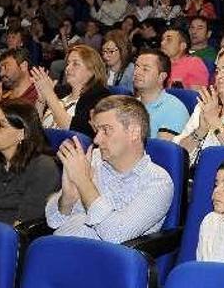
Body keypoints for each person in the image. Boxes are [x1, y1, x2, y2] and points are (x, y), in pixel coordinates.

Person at [45, 95, 173, 242]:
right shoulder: (92, 158)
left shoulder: (158, 182)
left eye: (106, 130)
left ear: (134, 132)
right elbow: (53, 220)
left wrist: (83, 182)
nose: (96, 140)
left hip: (99, 261)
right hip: (59, 249)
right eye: (97, 131)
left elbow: (115, 234)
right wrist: (67, 198)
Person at [0, 99, 59, 225]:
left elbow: (24, 223)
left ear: (22, 133)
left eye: (1, 125)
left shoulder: (43, 167)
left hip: (17, 237)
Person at [31, 45, 110, 137]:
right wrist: (42, 100)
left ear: (92, 70)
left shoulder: (100, 96)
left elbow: (75, 131)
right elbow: (33, 128)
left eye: (75, 64)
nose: (68, 68)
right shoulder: (59, 91)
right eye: (68, 63)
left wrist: (49, 95)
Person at [133, 49, 190, 139]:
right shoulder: (131, 105)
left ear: (161, 77)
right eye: (136, 67)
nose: (137, 72)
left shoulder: (174, 109)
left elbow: (162, 151)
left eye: (145, 69)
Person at [0, 47, 38, 122]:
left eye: (5, 67)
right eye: (0, 69)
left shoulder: (38, 95)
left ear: (23, 66)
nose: (1, 73)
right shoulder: (1, 95)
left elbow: (24, 129)